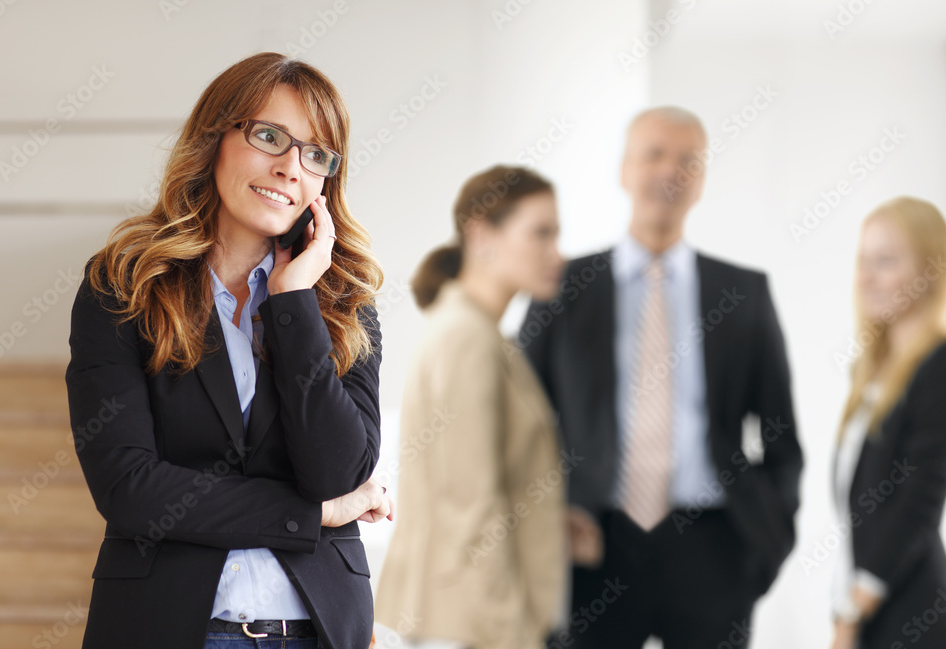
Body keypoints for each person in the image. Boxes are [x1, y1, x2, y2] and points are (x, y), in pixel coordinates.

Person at [65, 52, 392, 649]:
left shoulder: (345, 301)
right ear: (215, 137)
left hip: (319, 630)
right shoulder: (125, 284)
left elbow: (338, 471)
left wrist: (292, 306)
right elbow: (129, 489)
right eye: (270, 136)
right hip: (164, 626)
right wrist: (312, 515)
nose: (291, 168)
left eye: (314, 154)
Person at [518, 106, 804, 648]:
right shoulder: (563, 288)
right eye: (654, 154)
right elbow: (515, 422)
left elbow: (781, 438)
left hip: (714, 548)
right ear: (625, 169)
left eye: (688, 160)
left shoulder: (743, 295)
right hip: (589, 547)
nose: (670, 170)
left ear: (700, 182)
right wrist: (543, 518)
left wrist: (767, 543)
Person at [375, 166, 567, 649]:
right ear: (482, 234)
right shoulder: (467, 338)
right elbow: (470, 505)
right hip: (469, 623)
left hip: (461, 616)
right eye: (541, 233)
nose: (556, 254)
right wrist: (513, 635)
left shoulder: (480, 334)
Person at [829, 197, 946, 649]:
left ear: (929, 271)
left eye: (886, 261)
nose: (866, 277)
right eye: (863, 260)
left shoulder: (937, 366)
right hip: (867, 611)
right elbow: (858, 514)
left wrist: (857, 605)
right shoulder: (870, 371)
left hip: (908, 609)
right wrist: (844, 605)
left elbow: (920, 499)